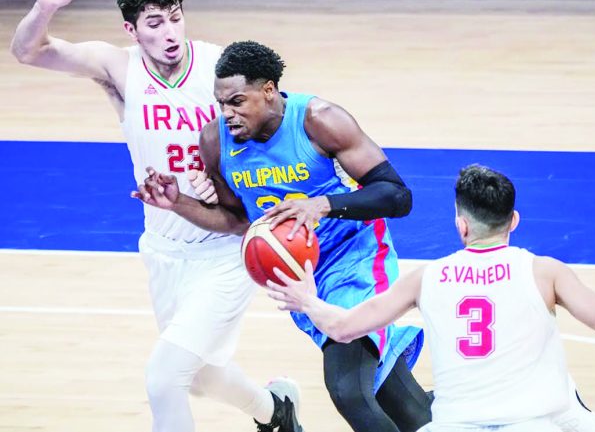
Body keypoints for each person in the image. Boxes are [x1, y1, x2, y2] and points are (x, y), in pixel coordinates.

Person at [10, 0, 303, 432]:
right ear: (131, 30)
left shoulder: (219, 69)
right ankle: (278, 412)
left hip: (225, 245)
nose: (169, 33)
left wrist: (233, 183)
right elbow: (27, 52)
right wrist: (46, 8)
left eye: (174, 18)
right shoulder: (119, 68)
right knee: (199, 379)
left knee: (163, 378)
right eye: (154, 23)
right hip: (165, 247)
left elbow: (278, 124)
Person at [134, 40, 433, 432]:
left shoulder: (319, 121)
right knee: (390, 396)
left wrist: (322, 204)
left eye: (237, 101)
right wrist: (179, 204)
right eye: (221, 103)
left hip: (352, 259)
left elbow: (397, 195)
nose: (227, 114)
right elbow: (238, 219)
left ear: (269, 91)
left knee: (349, 390)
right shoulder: (214, 142)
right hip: (297, 278)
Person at [266, 164, 595, 432]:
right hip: (538, 423)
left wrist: (308, 299)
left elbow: (342, 328)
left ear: (461, 226)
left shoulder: (426, 279)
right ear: (515, 221)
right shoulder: (544, 271)